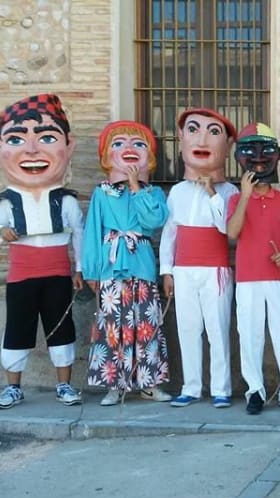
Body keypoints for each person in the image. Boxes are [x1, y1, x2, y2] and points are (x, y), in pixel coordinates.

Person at [0, 93, 84, 409]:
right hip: (21, 275)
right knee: (18, 326)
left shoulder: (66, 201)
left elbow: (79, 234)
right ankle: (13, 387)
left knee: (61, 326)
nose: (32, 149)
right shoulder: (6, 201)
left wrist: (80, 268)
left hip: (57, 274)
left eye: (44, 138)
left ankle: (64, 385)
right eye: (17, 139)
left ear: (68, 147)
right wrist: (1, 231)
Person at [83, 120, 171, 406]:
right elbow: (93, 233)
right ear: (107, 156)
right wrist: (92, 270)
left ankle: (148, 383)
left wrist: (136, 187)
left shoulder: (154, 194)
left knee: (146, 326)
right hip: (111, 269)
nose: (129, 149)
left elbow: (154, 222)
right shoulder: (102, 193)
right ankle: (115, 386)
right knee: (113, 328)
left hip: (142, 266)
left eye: (139, 144)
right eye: (118, 144)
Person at [226, 122, 280, 415]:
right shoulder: (236, 199)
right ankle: (255, 391)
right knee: (249, 334)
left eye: (266, 150)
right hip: (248, 278)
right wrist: (246, 194)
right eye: (250, 150)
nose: (259, 157)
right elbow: (232, 233)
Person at [160, 108, 238, 408]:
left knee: (218, 328)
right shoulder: (177, 191)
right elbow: (171, 232)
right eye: (194, 130)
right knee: (188, 328)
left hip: (215, 270)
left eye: (213, 132)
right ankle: (191, 387)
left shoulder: (229, 191)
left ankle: (221, 388)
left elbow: (225, 228)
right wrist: (167, 270)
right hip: (184, 270)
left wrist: (212, 194)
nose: (203, 139)